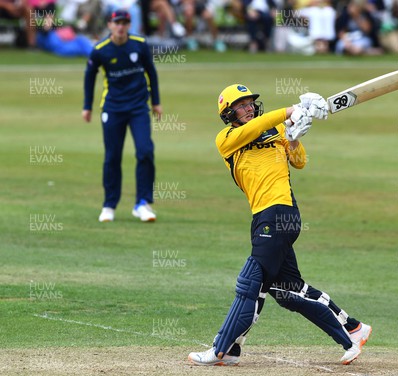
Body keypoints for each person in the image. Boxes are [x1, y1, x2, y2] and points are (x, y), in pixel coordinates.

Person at [187, 85, 372, 366]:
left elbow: (299, 162)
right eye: (242, 105)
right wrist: (289, 111)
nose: (249, 108)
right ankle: (352, 331)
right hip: (261, 216)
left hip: (280, 213)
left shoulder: (277, 131)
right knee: (287, 291)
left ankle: (222, 349)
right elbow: (259, 125)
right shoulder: (226, 139)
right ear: (228, 113)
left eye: (251, 103)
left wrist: (294, 138)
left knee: (249, 283)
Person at [82, 10, 162, 222]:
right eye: (117, 23)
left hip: (138, 107)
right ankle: (109, 205)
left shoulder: (139, 44)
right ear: (109, 25)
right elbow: (89, 76)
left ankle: (142, 204)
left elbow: (151, 72)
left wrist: (156, 102)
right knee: (112, 157)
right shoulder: (100, 50)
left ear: (129, 24)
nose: (121, 27)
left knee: (145, 151)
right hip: (113, 108)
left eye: (125, 23)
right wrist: (86, 106)